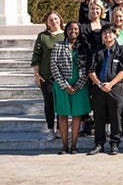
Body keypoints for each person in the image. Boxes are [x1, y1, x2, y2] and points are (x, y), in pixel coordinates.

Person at [86, 24, 123, 155]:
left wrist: (111, 84)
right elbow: (91, 70)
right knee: (99, 117)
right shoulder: (96, 51)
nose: (107, 35)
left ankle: (115, 143)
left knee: (116, 117)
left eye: (110, 32)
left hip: (116, 88)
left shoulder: (121, 50)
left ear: (115, 34)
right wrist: (100, 84)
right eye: (104, 33)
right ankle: (99, 144)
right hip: (99, 88)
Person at [50, 21, 91, 154]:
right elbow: (54, 66)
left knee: (77, 115)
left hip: (79, 85)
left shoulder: (84, 47)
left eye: (76, 29)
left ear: (79, 31)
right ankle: (64, 146)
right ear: (66, 31)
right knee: (62, 115)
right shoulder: (58, 46)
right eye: (70, 29)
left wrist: (77, 85)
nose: (73, 31)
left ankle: (74, 146)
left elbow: (88, 68)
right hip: (62, 86)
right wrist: (65, 85)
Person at [31, 11, 65, 142]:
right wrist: (36, 74)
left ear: (60, 19)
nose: (54, 22)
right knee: (49, 104)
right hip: (47, 76)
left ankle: (61, 129)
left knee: (61, 104)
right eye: (50, 20)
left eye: (56, 19)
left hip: (63, 76)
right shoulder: (43, 36)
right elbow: (36, 56)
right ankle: (51, 130)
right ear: (47, 22)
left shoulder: (66, 35)